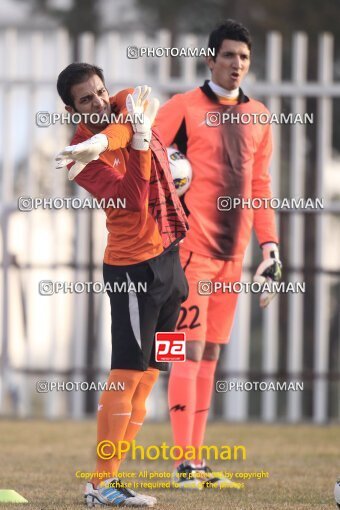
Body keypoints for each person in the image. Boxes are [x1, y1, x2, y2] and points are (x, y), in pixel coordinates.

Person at [155, 19, 282, 488]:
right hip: (189, 252)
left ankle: (197, 463)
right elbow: (150, 159)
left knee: (209, 352)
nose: (237, 64)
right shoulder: (182, 107)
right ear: (211, 58)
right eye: (229, 55)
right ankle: (182, 466)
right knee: (183, 351)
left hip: (235, 255)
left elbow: (261, 185)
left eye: (244, 57)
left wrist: (270, 246)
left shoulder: (260, 117)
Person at [56, 63, 189, 506]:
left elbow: (124, 122)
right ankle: (100, 484)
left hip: (171, 264)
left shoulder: (127, 101)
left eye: (98, 92)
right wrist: (138, 142)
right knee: (127, 372)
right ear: (71, 109)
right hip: (132, 270)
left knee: (153, 374)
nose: (97, 102)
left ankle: (112, 482)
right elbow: (132, 198)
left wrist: (114, 137)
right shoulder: (78, 158)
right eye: (85, 100)